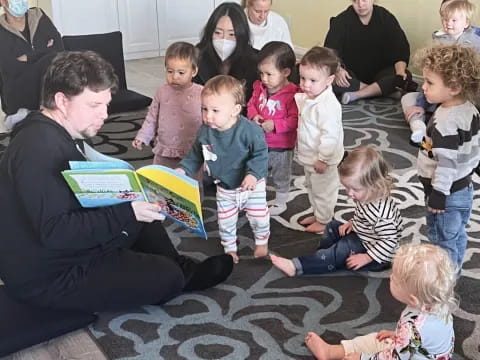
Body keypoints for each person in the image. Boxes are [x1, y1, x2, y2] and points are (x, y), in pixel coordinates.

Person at [0, 50, 233, 313]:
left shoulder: (54, 132)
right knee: (166, 277)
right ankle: (177, 273)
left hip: (63, 248)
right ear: (62, 101)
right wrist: (125, 213)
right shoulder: (37, 149)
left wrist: (129, 201)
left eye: (106, 105)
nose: (104, 115)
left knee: (138, 197)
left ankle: (180, 266)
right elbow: (55, 232)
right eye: (94, 106)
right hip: (49, 275)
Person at [303, 243, 456, 360]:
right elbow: (426, 339)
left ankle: (335, 352)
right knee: (375, 339)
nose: (390, 278)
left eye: (394, 279)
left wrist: (362, 358)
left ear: (413, 299)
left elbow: (395, 357)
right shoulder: (440, 302)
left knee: (372, 347)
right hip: (421, 353)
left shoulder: (413, 327)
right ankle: (330, 351)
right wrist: (397, 335)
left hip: (405, 356)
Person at [178, 75, 269, 264]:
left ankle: (262, 241)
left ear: (235, 110)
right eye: (204, 109)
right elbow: (195, 155)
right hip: (225, 187)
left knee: (258, 217)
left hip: (251, 185)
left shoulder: (250, 130)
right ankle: (230, 249)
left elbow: (261, 154)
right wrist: (183, 170)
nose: (207, 116)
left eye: (215, 110)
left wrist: (252, 174)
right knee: (226, 222)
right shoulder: (205, 131)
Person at [271, 146, 403, 276]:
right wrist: (353, 223)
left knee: (344, 247)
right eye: (347, 187)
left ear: (374, 185)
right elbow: (364, 217)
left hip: (375, 255)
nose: (349, 193)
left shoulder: (381, 214)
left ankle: (296, 266)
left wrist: (367, 258)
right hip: (365, 236)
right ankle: (325, 255)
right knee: (332, 226)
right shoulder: (368, 196)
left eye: (355, 189)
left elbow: (389, 242)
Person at [416, 44, 480, 271]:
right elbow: (473, 146)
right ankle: (454, 268)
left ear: (453, 87)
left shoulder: (445, 122)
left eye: (430, 82)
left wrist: (439, 195)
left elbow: (447, 163)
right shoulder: (470, 109)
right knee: (456, 235)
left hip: (446, 195)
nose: (423, 87)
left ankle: (443, 285)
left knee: (442, 242)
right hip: (464, 189)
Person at [402, 0, 480, 143]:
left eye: (453, 20)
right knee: (408, 99)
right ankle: (419, 127)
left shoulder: (476, 39)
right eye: (444, 18)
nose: (448, 23)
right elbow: (431, 80)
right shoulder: (439, 39)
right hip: (439, 94)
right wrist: (420, 104)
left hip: (464, 98)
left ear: (466, 22)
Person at [324, 0, 414, 105]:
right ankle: (381, 91)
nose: (360, 5)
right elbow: (329, 52)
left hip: (382, 73)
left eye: (364, 0)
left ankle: (358, 94)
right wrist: (337, 69)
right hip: (351, 75)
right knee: (324, 76)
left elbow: (400, 48)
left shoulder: (385, 17)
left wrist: (400, 72)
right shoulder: (341, 20)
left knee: (405, 75)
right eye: (355, 1)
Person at [294, 46, 344, 233]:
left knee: (324, 191)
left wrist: (324, 158)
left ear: (329, 80)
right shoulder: (310, 96)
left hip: (323, 160)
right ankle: (318, 213)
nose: (306, 84)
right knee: (311, 186)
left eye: (313, 80)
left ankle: (324, 221)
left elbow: (330, 136)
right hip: (310, 155)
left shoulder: (328, 106)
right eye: (303, 78)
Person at [132, 42, 203, 169]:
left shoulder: (202, 93)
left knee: (191, 182)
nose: (174, 77)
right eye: (170, 71)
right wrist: (143, 136)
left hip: (191, 151)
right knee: (160, 179)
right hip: (165, 148)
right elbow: (152, 117)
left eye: (181, 73)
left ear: (194, 71)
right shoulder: (162, 91)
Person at [247, 41, 298, 215]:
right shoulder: (259, 87)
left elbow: (295, 120)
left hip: (282, 146)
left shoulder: (293, 95)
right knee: (257, 169)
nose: (264, 79)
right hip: (259, 142)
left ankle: (281, 200)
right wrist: (254, 115)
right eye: (261, 73)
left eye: (269, 74)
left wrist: (275, 125)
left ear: (285, 72)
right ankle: (256, 197)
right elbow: (251, 104)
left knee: (281, 174)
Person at [0, 0, 63, 125]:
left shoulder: (39, 17)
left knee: (55, 61)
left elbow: (60, 51)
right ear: (3, 2)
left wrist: (28, 57)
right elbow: (9, 68)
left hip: (50, 91)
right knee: (48, 60)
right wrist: (44, 53)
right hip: (19, 97)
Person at [194, 2, 258, 103]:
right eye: (218, 33)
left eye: (232, 34)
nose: (224, 39)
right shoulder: (197, 56)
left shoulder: (254, 61)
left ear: (242, 35)